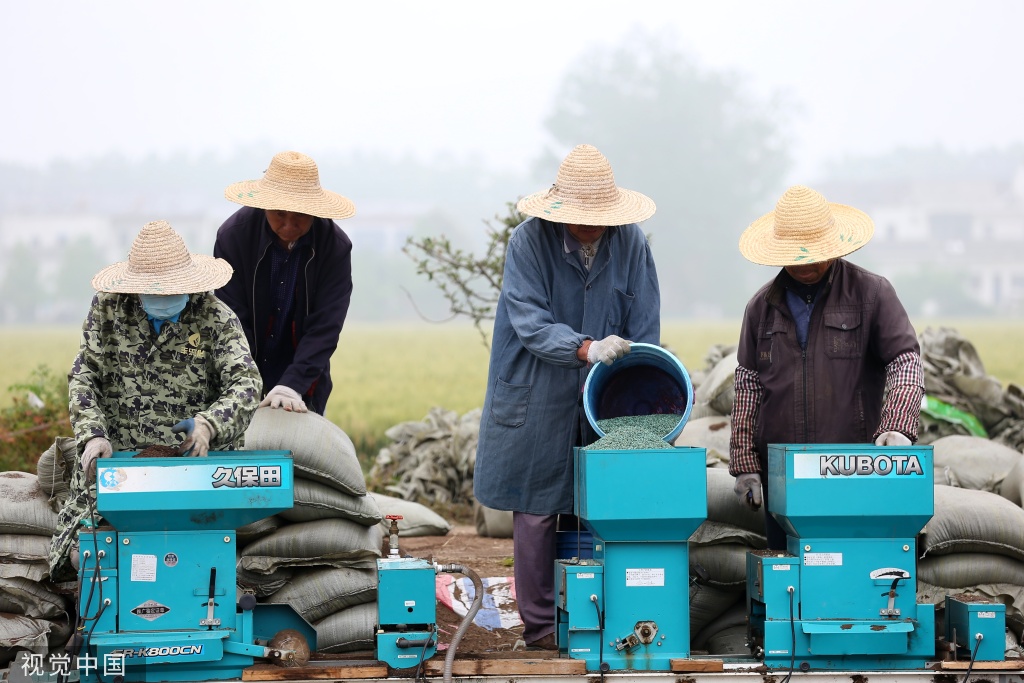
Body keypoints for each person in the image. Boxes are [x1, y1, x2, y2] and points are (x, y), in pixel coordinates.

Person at [473, 144, 661, 650]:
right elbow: (530, 321)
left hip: (604, 393)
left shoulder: (631, 243)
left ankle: (596, 619)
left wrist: (639, 380)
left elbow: (644, 324)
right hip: (537, 388)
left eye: (599, 218)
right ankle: (539, 631)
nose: (591, 226)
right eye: (582, 218)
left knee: (600, 505)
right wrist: (583, 348)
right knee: (535, 511)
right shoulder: (528, 242)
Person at [48, 220, 263, 581]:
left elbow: (246, 383)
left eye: (170, 292)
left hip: (194, 466)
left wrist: (210, 425)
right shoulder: (108, 311)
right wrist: (93, 435)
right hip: (119, 464)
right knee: (81, 551)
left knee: (191, 557)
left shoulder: (216, 319)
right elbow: (84, 377)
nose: (161, 299)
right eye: (152, 292)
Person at [729, 185, 924, 550]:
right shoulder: (761, 308)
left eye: (816, 254)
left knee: (852, 577)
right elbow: (748, 385)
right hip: (783, 480)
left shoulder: (872, 294)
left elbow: (905, 361)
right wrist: (743, 460)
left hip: (853, 474)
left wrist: (897, 426)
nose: (807, 263)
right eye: (795, 255)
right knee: (790, 589)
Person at [214, 150, 355, 415]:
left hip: (304, 373)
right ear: (264, 204)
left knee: (296, 451)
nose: (289, 225)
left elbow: (326, 326)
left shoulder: (334, 247)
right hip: (242, 364)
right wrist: (244, 381)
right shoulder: (234, 237)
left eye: (300, 214)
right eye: (279, 214)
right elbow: (230, 319)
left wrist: (292, 385)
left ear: (314, 210)